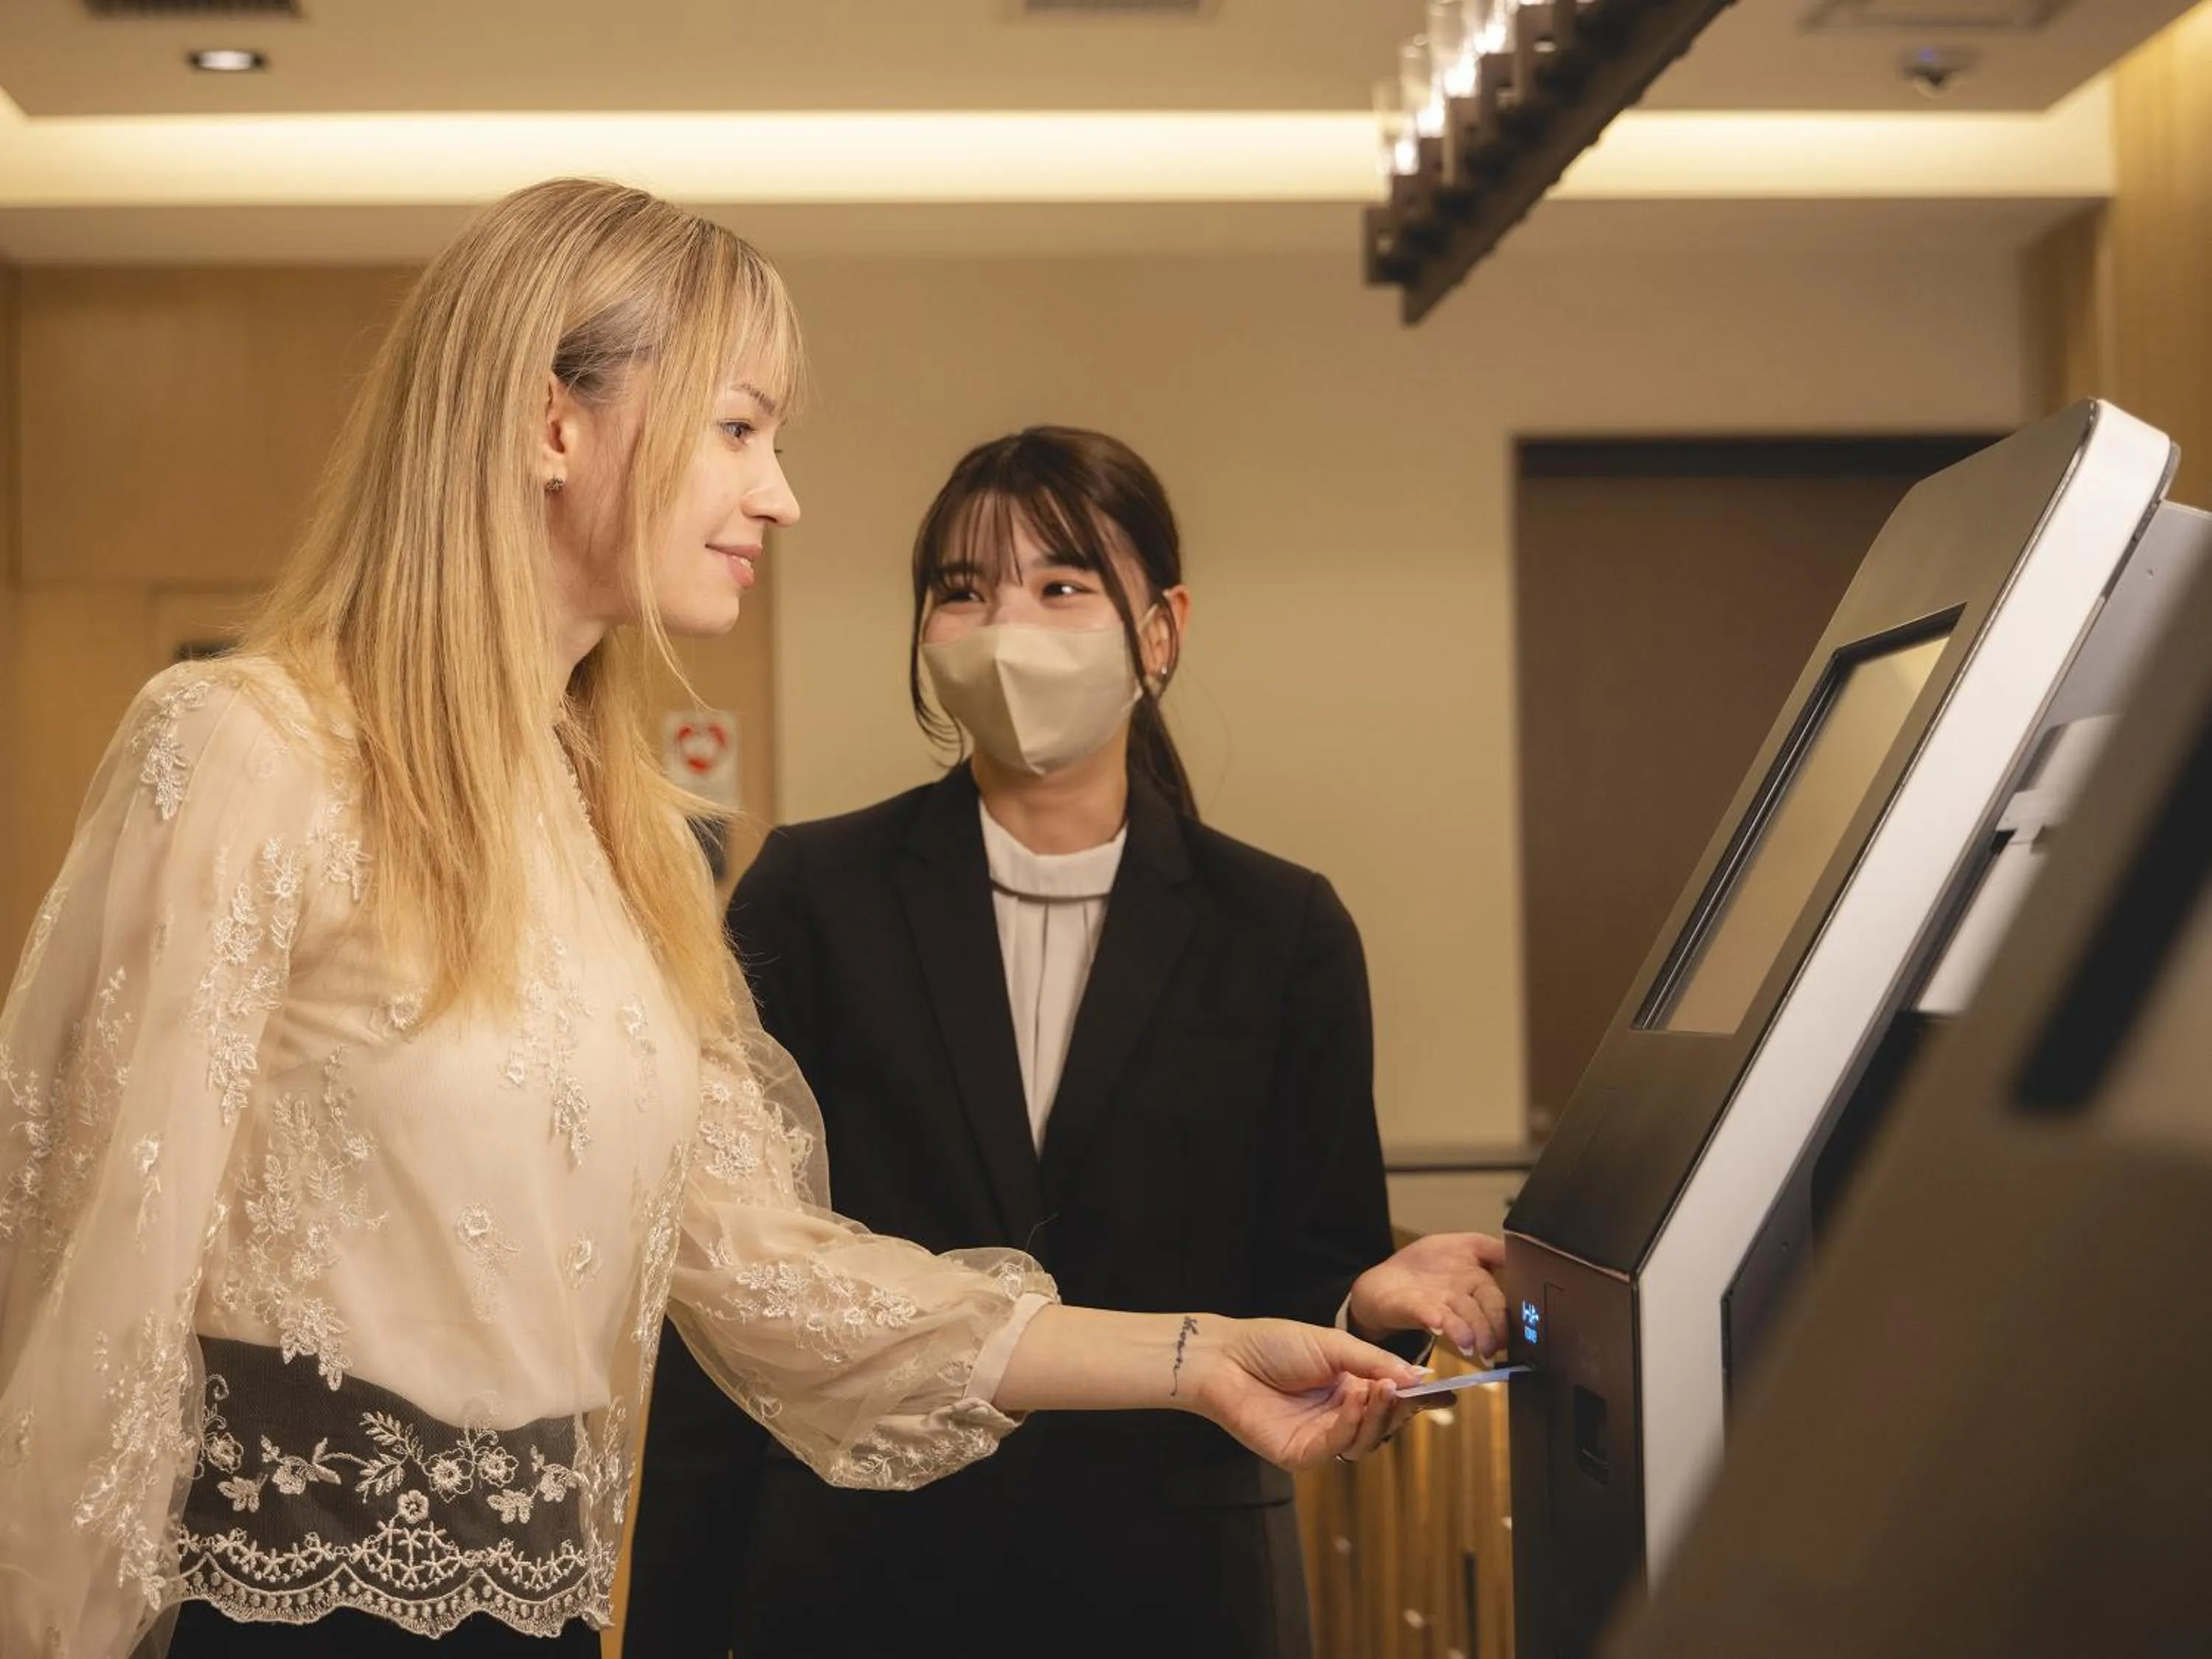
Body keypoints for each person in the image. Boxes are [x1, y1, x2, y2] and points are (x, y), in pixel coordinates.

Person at [0, 184, 1429, 1659]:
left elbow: (774, 1275)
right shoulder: (249, 746)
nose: (781, 494)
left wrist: (1195, 1360)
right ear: (556, 425)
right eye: (739, 428)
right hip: (272, 1619)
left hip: (539, 1620)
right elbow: (80, 1274)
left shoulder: (619, 835)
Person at [630, 427, 1509, 1659]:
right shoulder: (817, 894)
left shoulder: (1281, 928)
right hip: (860, 1579)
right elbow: (737, 1288)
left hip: (1174, 1582)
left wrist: (1369, 1295)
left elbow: (1305, 1259)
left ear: (1161, 629)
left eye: (1061, 583)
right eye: (962, 589)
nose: (1009, 623)